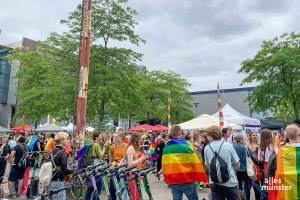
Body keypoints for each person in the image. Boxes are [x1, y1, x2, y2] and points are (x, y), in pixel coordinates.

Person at [162, 125, 208, 200]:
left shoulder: (167, 147)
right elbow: (194, 160)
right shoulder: (187, 145)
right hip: (187, 179)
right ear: (180, 132)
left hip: (174, 181)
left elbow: (165, 165)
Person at [204, 125, 240, 200]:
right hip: (229, 181)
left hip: (214, 182)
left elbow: (208, 166)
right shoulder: (228, 146)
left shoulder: (207, 148)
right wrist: (228, 168)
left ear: (211, 136)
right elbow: (237, 165)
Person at [46, 132, 73, 200]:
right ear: (61, 140)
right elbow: (64, 171)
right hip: (58, 183)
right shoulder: (63, 153)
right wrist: (73, 171)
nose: (68, 141)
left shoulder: (52, 151)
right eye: (67, 139)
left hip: (49, 181)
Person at [85, 131, 109, 200]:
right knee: (98, 186)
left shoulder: (89, 143)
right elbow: (100, 156)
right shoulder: (96, 145)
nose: (101, 137)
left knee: (90, 187)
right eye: (100, 136)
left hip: (89, 166)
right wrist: (104, 148)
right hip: (96, 167)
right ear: (96, 137)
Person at [126, 132, 148, 200]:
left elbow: (137, 162)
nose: (141, 141)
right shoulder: (131, 148)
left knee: (137, 194)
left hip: (136, 173)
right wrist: (141, 159)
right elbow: (130, 164)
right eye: (140, 140)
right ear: (136, 140)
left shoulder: (135, 148)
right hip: (131, 174)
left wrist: (144, 161)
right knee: (134, 195)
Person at [258, 129, 277, 200]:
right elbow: (278, 153)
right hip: (273, 165)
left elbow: (259, 159)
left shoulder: (260, 145)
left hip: (266, 165)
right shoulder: (273, 144)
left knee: (269, 186)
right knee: (275, 185)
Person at [109, 132, 127, 200]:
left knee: (123, 186)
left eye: (117, 137)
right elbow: (110, 159)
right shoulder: (112, 147)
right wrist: (111, 166)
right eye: (114, 137)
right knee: (112, 187)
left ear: (122, 138)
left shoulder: (126, 146)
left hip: (123, 168)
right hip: (115, 167)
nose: (115, 138)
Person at [233, 135, 251, 200]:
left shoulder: (233, 147)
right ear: (241, 140)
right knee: (246, 186)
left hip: (237, 169)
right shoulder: (245, 147)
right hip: (245, 169)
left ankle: (240, 198)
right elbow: (249, 157)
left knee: (239, 185)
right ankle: (246, 198)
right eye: (243, 139)